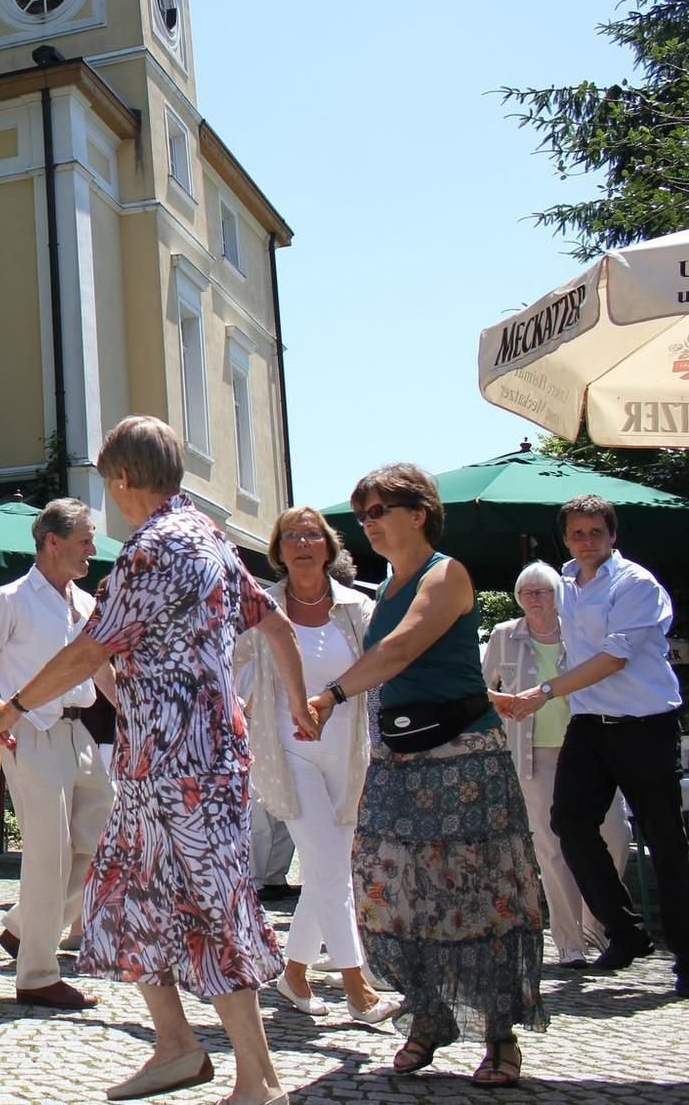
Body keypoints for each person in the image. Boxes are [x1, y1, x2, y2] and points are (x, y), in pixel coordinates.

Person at [4, 416, 314, 1105]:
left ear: (122, 479)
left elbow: (91, 649)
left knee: (210, 906)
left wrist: (14, 705)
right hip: (183, 762)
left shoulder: (152, 549)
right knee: (124, 897)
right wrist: (300, 703)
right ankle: (176, 1047)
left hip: (178, 766)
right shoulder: (208, 535)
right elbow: (276, 622)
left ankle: (259, 1080)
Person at [306, 462, 545, 1089]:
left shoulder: (447, 573)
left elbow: (402, 649)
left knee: (477, 891)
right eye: (363, 515)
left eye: (378, 511)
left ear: (418, 514)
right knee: (394, 888)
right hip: (399, 758)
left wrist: (330, 695)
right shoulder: (387, 587)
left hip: (461, 757)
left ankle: (499, 1036)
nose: (368, 524)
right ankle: (429, 1014)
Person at [237, 506, 399, 1024]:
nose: (303, 543)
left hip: (347, 751)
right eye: (292, 536)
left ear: (328, 547)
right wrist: (247, 706)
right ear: (278, 551)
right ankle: (357, 986)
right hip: (286, 750)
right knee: (330, 864)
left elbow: (384, 663)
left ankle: (294, 973)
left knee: (327, 867)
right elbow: (234, 667)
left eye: (312, 535)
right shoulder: (260, 607)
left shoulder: (357, 607)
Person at [529, 494, 686, 996]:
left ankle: (686, 954)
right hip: (589, 724)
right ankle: (624, 931)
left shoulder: (635, 584)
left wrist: (545, 691)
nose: (587, 541)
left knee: (665, 840)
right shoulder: (566, 583)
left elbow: (615, 656)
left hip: (645, 724)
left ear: (612, 535)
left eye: (596, 532)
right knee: (569, 823)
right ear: (566, 539)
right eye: (577, 533)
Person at [0, 496, 117, 1011]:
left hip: (80, 735)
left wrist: (137, 719)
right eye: (85, 540)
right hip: (29, 733)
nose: (92, 549)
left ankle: (22, 927)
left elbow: (101, 670)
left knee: (106, 844)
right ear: (52, 542)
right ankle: (36, 976)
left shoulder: (86, 604)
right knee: (49, 856)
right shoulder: (9, 599)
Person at [482, 561, 632, 968]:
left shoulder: (579, 630)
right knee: (552, 850)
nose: (533, 599)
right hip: (533, 755)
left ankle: (598, 923)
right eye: (526, 593)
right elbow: (481, 688)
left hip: (592, 750)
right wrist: (501, 704)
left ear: (558, 596)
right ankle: (569, 941)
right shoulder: (504, 635)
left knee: (615, 835)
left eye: (542, 591)